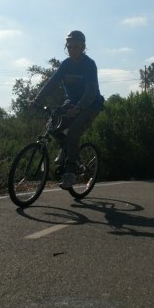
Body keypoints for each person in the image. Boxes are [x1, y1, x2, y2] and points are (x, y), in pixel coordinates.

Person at [30, 30, 104, 189]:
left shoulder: (89, 64)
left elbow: (91, 91)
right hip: (72, 102)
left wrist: (78, 108)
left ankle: (70, 171)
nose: (71, 50)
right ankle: (67, 149)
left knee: (73, 131)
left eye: (75, 47)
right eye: (69, 46)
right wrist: (37, 99)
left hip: (91, 104)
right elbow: (52, 83)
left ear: (83, 47)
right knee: (53, 125)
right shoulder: (66, 64)